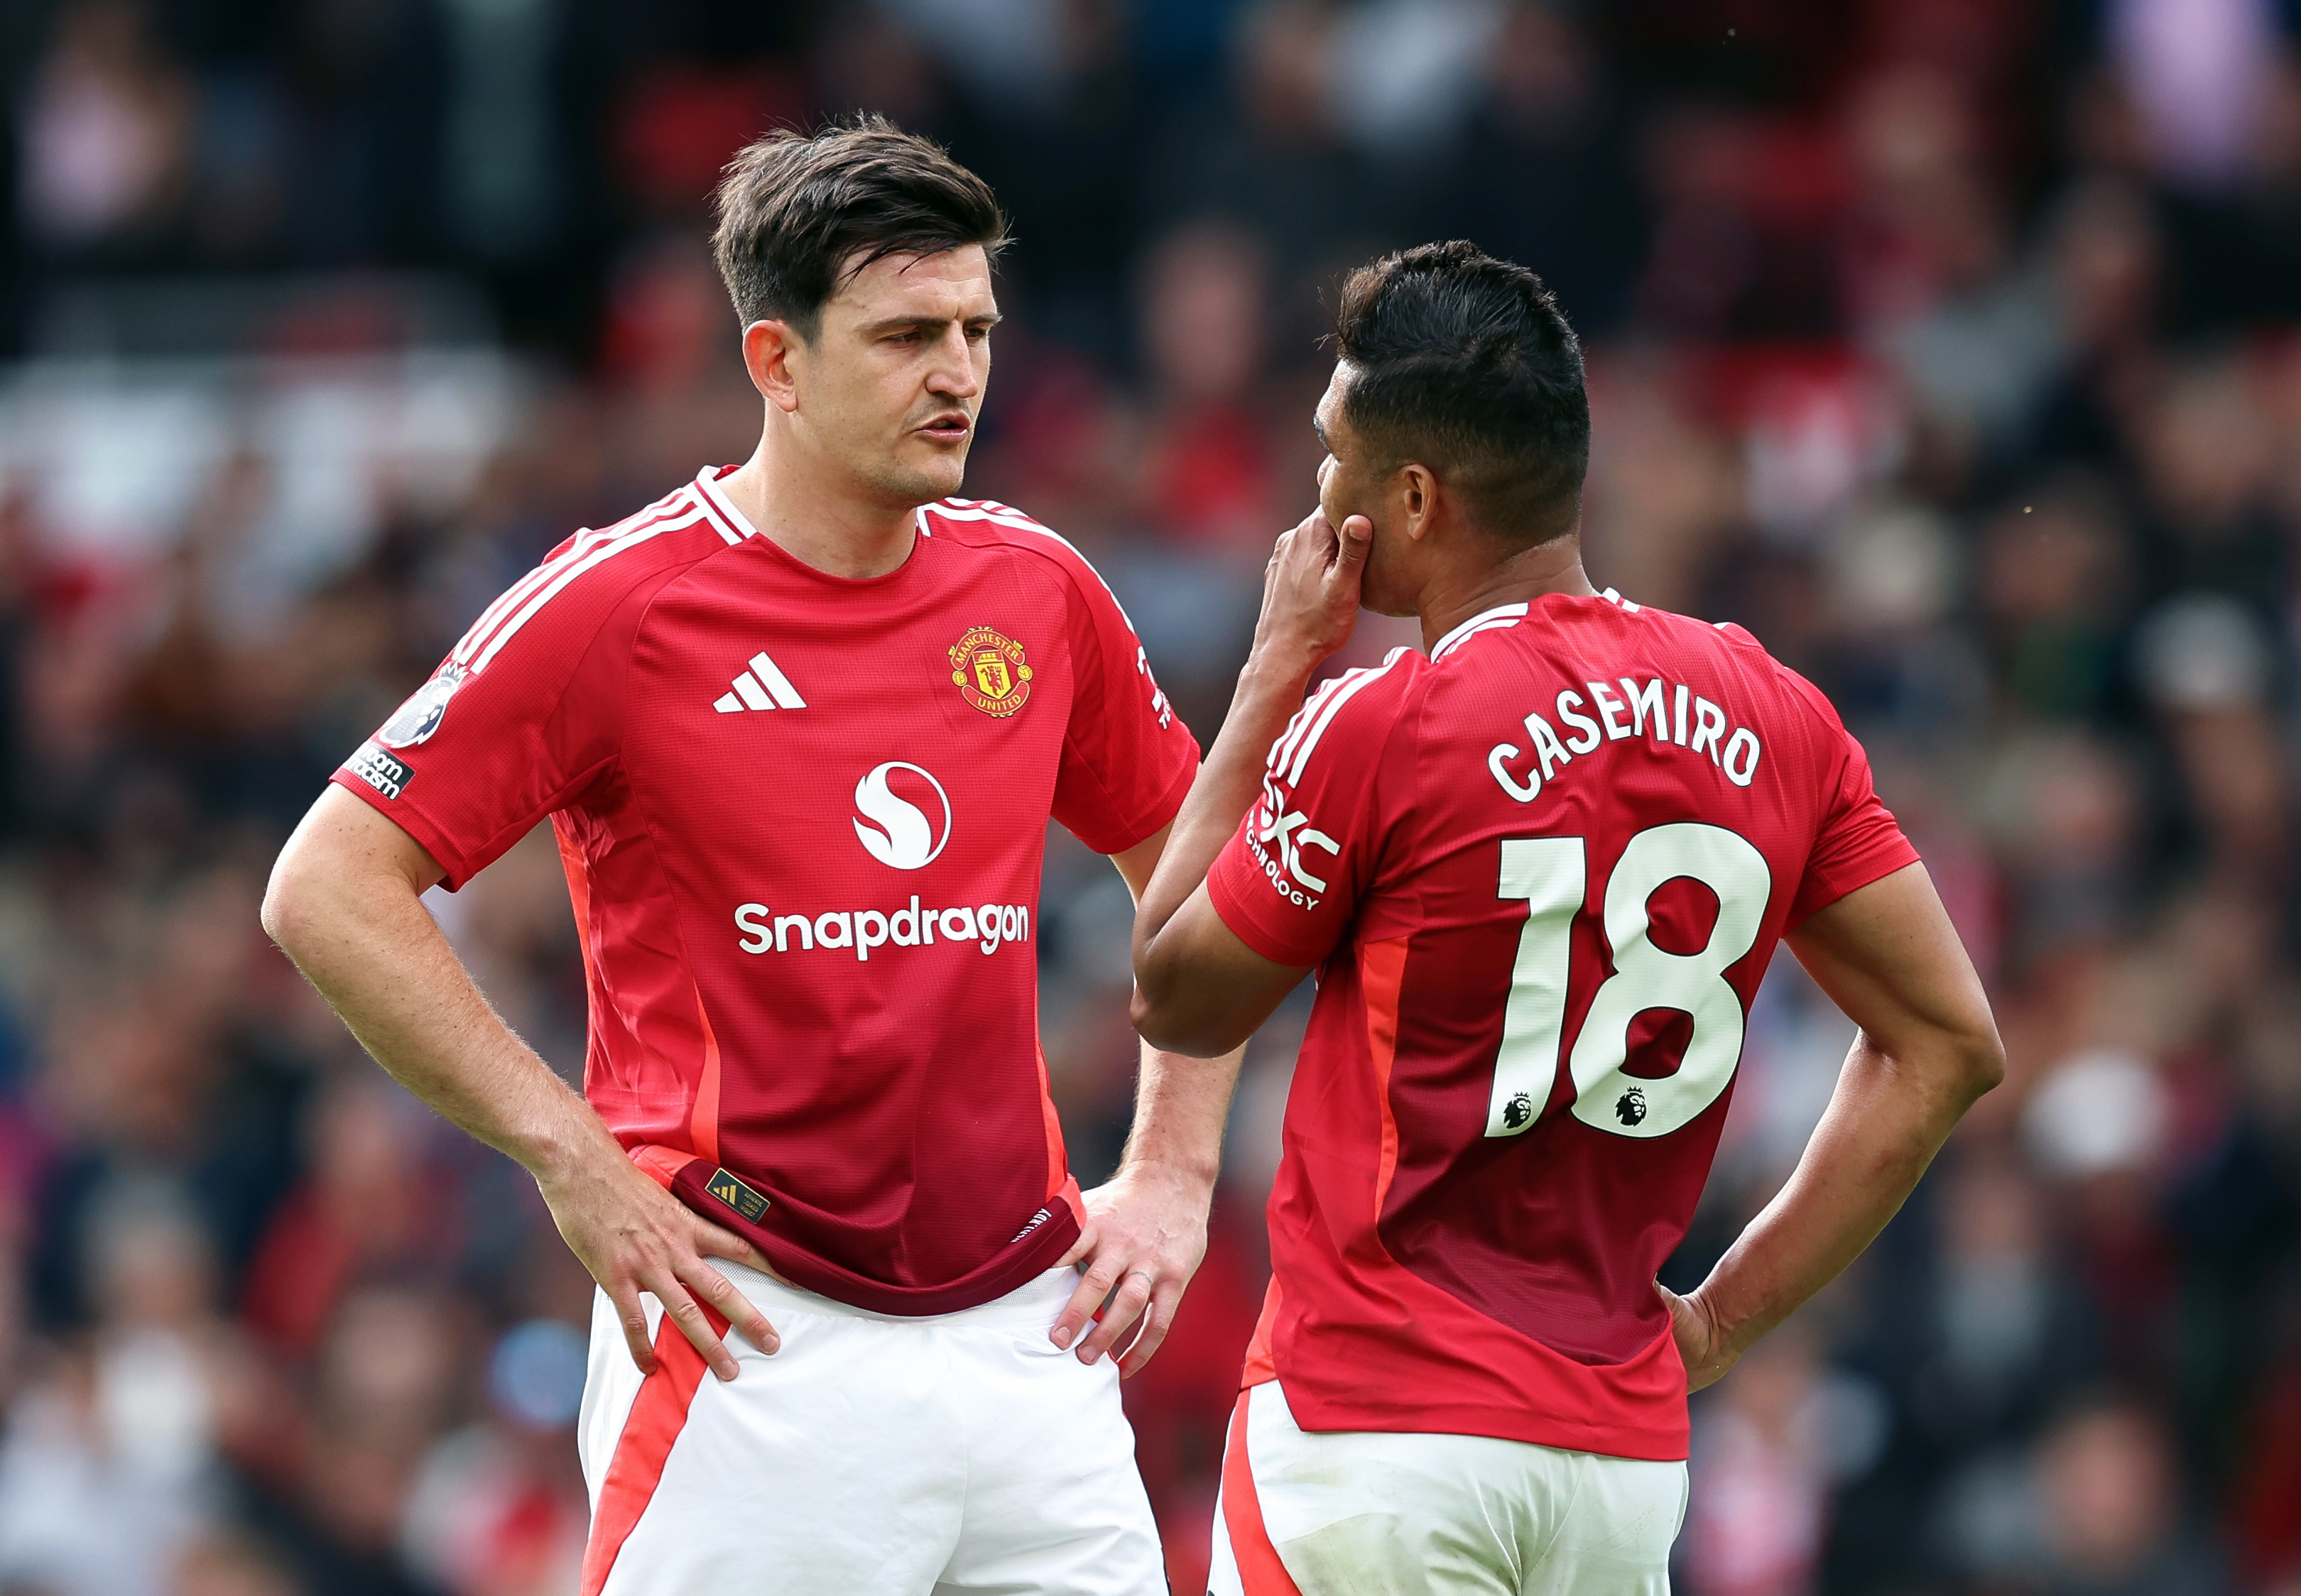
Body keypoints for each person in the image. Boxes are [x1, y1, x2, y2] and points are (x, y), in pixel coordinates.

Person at [261, 116, 1238, 1596]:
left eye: (976, 328)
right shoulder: (617, 604)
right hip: (756, 1338)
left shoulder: (1037, 589)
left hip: (1036, 1342)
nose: (960, 372)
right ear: (775, 362)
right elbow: (326, 885)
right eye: (908, 333)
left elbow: (1197, 883)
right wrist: (568, 1154)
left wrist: (1171, 1166)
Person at [1126, 241, 2007, 1595]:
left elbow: (1175, 992)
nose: (1316, 487)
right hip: (1616, 1472)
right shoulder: (1770, 709)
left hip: (1378, 1436)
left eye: (1331, 453)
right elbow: (1948, 1044)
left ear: (1410, 498)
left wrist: (1265, 677)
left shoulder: (1382, 721)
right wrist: (1714, 1323)